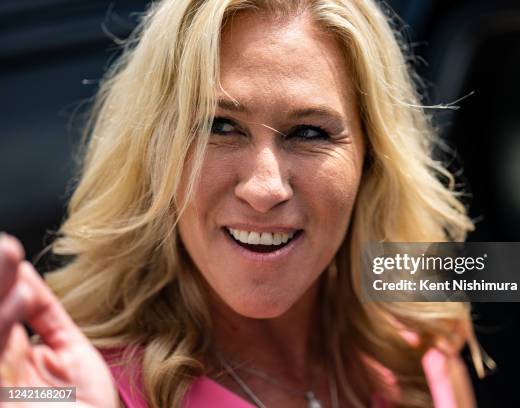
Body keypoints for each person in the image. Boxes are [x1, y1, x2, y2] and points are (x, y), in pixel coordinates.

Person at [0, 0, 485, 406]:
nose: (264, 187)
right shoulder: (77, 386)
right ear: (155, 150)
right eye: (220, 126)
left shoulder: (420, 361)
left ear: (371, 159)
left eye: (309, 133)